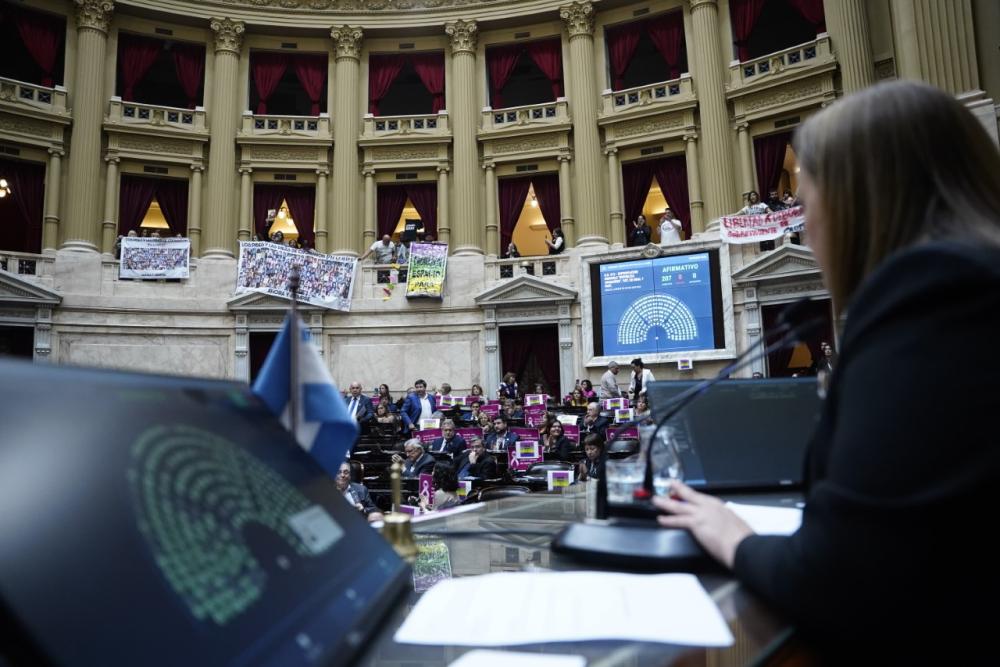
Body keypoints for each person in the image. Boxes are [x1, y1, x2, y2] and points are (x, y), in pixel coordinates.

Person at [653, 81, 1000, 660]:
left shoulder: (936, 298)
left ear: (859, 205)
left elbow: (843, 582)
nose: (807, 233)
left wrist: (734, 539)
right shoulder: (972, 280)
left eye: (807, 205)